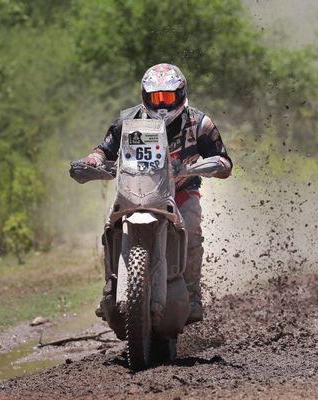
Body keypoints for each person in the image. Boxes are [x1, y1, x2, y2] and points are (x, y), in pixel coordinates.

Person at [83, 63, 232, 323]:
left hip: (182, 190)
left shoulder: (199, 123)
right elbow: (103, 149)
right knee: (110, 229)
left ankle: (192, 294)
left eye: (168, 97)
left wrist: (213, 165)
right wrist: (93, 160)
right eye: (156, 98)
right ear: (144, 96)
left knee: (194, 231)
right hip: (136, 187)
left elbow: (223, 159)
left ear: (181, 94)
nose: (162, 105)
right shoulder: (128, 121)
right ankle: (110, 286)